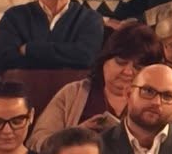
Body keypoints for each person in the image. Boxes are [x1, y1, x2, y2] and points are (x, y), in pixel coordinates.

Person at [31, 23, 160, 140]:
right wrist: (74, 136)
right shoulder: (73, 93)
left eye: (138, 67)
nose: (127, 72)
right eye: (120, 62)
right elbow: (36, 141)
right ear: (104, 60)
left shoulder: (159, 100)